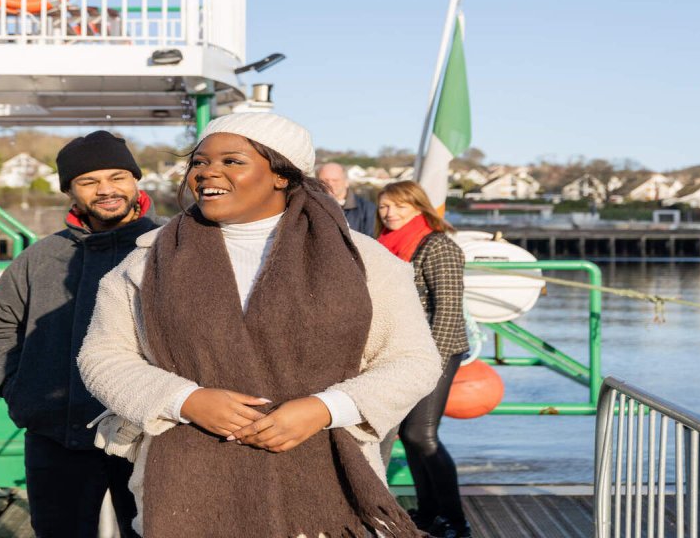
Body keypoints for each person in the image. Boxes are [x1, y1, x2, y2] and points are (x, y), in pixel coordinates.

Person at [78, 113, 442, 537]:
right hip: (187, 488)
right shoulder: (145, 262)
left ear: (282, 175)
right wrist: (184, 400)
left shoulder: (364, 260)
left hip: (328, 485)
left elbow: (414, 361)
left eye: (232, 161)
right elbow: (102, 357)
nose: (207, 172)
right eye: (199, 162)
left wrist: (325, 408)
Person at [0, 131, 157, 537]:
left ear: (135, 180)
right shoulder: (38, 257)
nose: (106, 189)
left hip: (149, 433)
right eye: (89, 181)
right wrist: (18, 390)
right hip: (56, 436)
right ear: (69, 191)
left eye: (117, 177)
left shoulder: (169, 247)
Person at [376, 180, 471, 538]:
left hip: (436, 351)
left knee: (421, 434)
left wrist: (428, 363)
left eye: (400, 206)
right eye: (384, 206)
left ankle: (456, 522)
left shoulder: (438, 245)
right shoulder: (384, 246)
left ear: (419, 207)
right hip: (401, 353)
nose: (391, 213)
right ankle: (429, 513)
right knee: (409, 434)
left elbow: (448, 310)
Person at [316, 162, 376, 235]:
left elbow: (371, 238)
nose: (330, 184)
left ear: (346, 182)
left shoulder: (367, 209)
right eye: (325, 181)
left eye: (335, 180)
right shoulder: (310, 206)